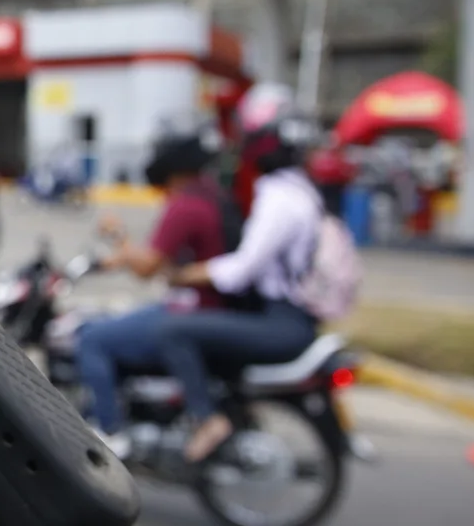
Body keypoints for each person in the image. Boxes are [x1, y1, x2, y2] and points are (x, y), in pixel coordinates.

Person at [160, 89, 326, 463]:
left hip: (281, 322)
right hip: (292, 316)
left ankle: (206, 420)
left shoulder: (278, 197)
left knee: (174, 331)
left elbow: (241, 271)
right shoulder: (301, 190)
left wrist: (185, 275)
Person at [76, 128, 232, 458]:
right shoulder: (211, 196)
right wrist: (120, 257)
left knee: (91, 339)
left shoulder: (186, 206)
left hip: (190, 311)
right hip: (204, 306)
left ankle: (109, 431)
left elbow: (147, 266)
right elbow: (161, 262)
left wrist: (118, 237)